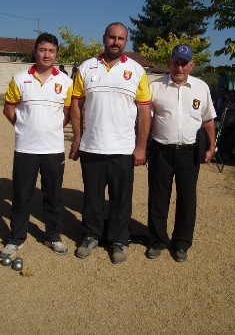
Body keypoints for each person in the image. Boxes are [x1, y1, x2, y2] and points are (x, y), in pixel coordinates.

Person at [69, 22, 151, 264]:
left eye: (121, 38)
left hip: (123, 149)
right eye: (112, 37)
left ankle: (119, 239)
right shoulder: (87, 67)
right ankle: (91, 235)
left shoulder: (136, 70)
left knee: (120, 198)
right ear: (104, 38)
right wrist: (77, 137)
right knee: (92, 197)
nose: (116, 42)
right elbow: (76, 104)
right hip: (92, 146)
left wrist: (141, 147)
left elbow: (144, 113)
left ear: (126, 42)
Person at [0, 33, 73, 258]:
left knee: (53, 196)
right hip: (26, 149)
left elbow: (68, 113)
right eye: (43, 50)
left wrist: (50, 129)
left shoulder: (65, 81)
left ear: (56, 54)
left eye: (51, 51)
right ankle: (16, 238)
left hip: (53, 150)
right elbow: (8, 109)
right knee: (22, 196)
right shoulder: (20, 78)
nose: (47, 54)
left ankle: (53, 236)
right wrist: (23, 126)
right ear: (35, 51)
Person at [147, 44, 216, 262]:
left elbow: (208, 120)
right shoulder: (155, 87)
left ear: (191, 66)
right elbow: (146, 120)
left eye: (184, 63)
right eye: (176, 62)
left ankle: (181, 243)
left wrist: (212, 147)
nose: (180, 67)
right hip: (161, 150)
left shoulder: (201, 87)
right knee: (158, 197)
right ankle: (157, 240)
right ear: (170, 63)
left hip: (190, 152)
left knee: (187, 199)